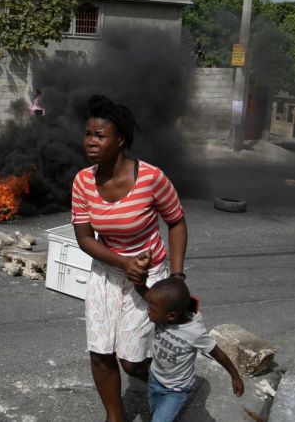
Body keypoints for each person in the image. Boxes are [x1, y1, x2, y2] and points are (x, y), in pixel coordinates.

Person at [71, 94, 188, 422]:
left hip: (149, 274)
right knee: (100, 353)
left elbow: (176, 221)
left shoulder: (151, 178)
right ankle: (115, 417)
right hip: (108, 271)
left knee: (132, 360)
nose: (91, 142)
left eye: (100, 136)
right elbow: (84, 238)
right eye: (88, 134)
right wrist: (123, 263)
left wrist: (176, 278)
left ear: (120, 139)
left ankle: (172, 384)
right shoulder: (82, 181)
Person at [141, 277, 244, 422]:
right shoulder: (162, 315)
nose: (147, 312)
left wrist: (235, 376)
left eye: (151, 309)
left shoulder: (194, 332)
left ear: (171, 315)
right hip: (155, 379)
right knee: (155, 412)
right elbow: (145, 294)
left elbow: (218, 354)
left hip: (176, 390)